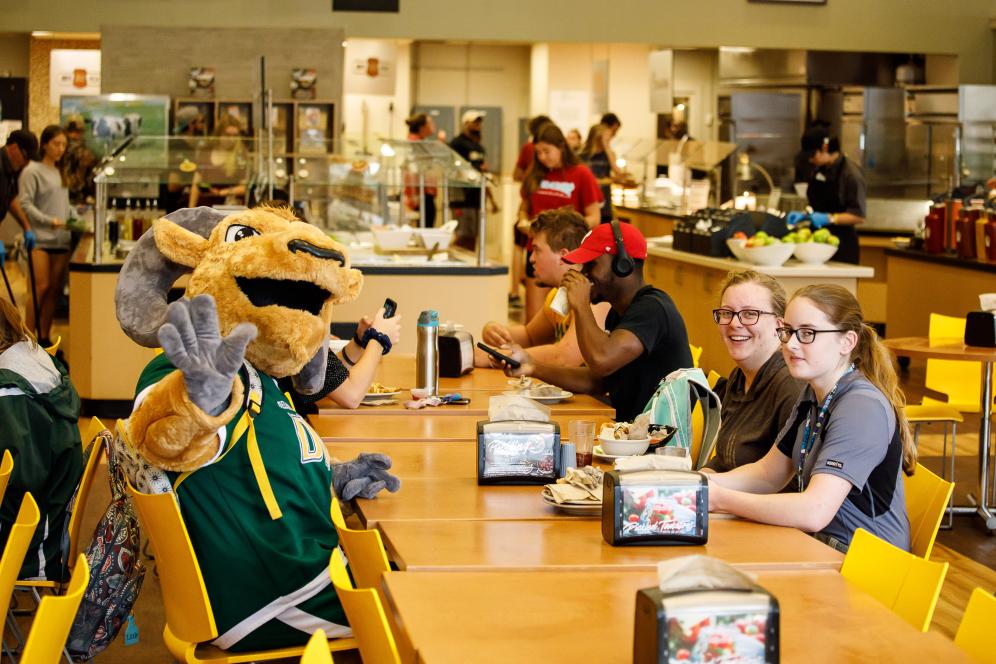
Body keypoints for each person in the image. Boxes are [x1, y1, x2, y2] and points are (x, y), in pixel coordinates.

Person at [705, 284, 914, 552]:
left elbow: (815, 510)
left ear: (847, 341)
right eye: (788, 332)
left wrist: (719, 499)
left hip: (864, 566)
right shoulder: (813, 392)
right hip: (820, 546)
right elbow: (768, 474)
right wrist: (699, 484)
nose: (790, 344)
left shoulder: (862, 407)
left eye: (807, 334)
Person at [498, 222, 693, 422]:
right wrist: (533, 367)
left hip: (658, 444)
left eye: (591, 264)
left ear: (622, 264)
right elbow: (595, 381)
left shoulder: (652, 308)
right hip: (630, 436)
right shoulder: (619, 314)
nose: (583, 273)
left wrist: (581, 305)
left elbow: (602, 361)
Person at [0, 298, 82, 581]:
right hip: (49, 513)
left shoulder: (10, 387)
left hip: (28, 540)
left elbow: (17, 475)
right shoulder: (35, 357)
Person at [476, 207, 610, 368]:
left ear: (563, 256)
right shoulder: (559, 294)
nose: (531, 259)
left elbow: (565, 357)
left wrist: (495, 357)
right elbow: (530, 336)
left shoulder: (595, 298)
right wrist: (495, 330)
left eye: (536, 250)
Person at [701, 270, 804, 474]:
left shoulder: (791, 386)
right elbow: (723, 462)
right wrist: (696, 483)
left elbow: (794, 484)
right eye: (727, 313)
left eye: (750, 314)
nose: (734, 323)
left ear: (779, 324)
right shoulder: (739, 377)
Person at [519, 123, 603, 319]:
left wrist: (566, 230)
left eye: (547, 151)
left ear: (561, 147)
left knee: (568, 314)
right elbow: (523, 209)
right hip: (537, 251)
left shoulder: (581, 174)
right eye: (538, 152)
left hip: (568, 255)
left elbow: (594, 217)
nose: (542, 157)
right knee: (535, 315)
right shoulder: (534, 174)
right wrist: (523, 222)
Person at [281, 304, 402, 412]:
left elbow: (326, 377)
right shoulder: (301, 316)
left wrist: (359, 342)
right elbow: (351, 396)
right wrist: (379, 339)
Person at [18, 125, 72, 345]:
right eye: (57, 144)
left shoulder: (61, 172)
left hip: (61, 241)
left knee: (53, 292)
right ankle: (26, 339)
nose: (60, 149)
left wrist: (76, 217)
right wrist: (49, 221)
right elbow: (25, 203)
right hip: (40, 239)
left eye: (64, 145)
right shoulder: (32, 170)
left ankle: (44, 339)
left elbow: (63, 205)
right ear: (46, 144)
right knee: (40, 288)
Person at [793, 125, 866, 265]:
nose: (810, 160)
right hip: (816, 244)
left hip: (841, 246)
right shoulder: (819, 169)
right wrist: (806, 216)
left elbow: (859, 215)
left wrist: (829, 218)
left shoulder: (851, 174)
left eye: (812, 154)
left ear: (825, 148)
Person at [449, 110, 498, 250]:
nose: (478, 125)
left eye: (479, 122)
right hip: (462, 198)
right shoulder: (456, 144)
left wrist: (492, 200)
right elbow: (453, 170)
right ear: (466, 124)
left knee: (473, 236)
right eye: (475, 122)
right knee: (463, 236)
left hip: (477, 198)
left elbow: (483, 174)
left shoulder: (479, 147)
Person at [189, 115, 248, 207]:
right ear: (219, 134)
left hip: (228, 208)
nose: (231, 139)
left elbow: (244, 188)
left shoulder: (240, 154)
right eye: (227, 135)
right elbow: (196, 184)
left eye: (235, 136)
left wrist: (222, 192)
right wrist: (191, 211)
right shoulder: (206, 150)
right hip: (205, 206)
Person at [580, 122, 628, 224]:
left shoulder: (608, 154)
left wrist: (607, 148)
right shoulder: (583, 155)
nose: (609, 140)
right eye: (606, 137)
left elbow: (617, 172)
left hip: (605, 201)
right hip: (589, 201)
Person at [0, 130, 38, 254]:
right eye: (26, 158)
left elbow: (10, 197)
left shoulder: (10, 169)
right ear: (14, 148)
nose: (26, 164)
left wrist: (26, 227)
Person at [404, 112, 438, 226]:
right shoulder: (416, 143)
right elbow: (414, 170)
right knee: (425, 227)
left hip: (422, 191)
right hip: (420, 191)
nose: (433, 125)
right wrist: (415, 194)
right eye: (430, 122)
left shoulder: (420, 143)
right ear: (422, 126)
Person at [61, 117, 97, 205]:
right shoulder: (84, 151)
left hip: (69, 195)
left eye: (76, 132)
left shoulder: (62, 148)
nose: (74, 135)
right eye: (72, 131)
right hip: (73, 195)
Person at [513, 115, 552, 182]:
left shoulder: (528, 147)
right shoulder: (528, 147)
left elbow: (517, 175)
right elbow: (517, 175)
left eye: (546, 151)